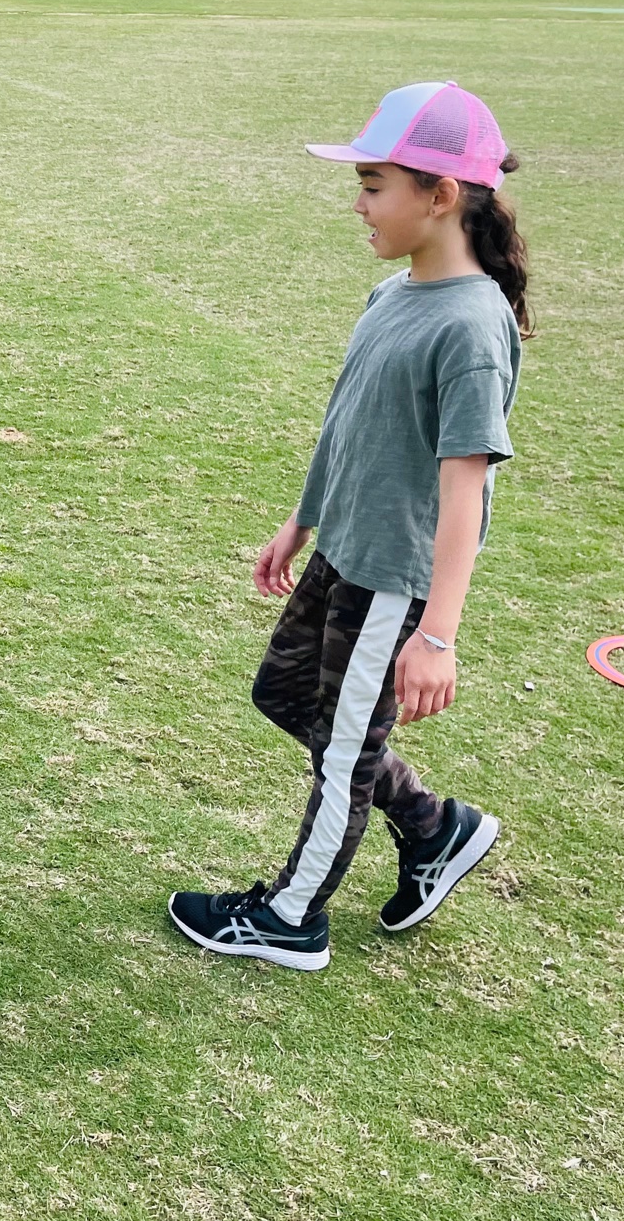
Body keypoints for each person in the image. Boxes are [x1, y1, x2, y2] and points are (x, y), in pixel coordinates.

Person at [168, 82, 529, 972]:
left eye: (374, 184)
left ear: (440, 195)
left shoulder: (472, 327)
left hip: (392, 581)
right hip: (343, 550)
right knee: (284, 698)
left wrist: (436, 633)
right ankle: (435, 827)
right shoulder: (393, 293)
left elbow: (465, 494)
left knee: (342, 751)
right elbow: (349, 424)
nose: (359, 203)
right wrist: (302, 520)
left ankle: (292, 918)